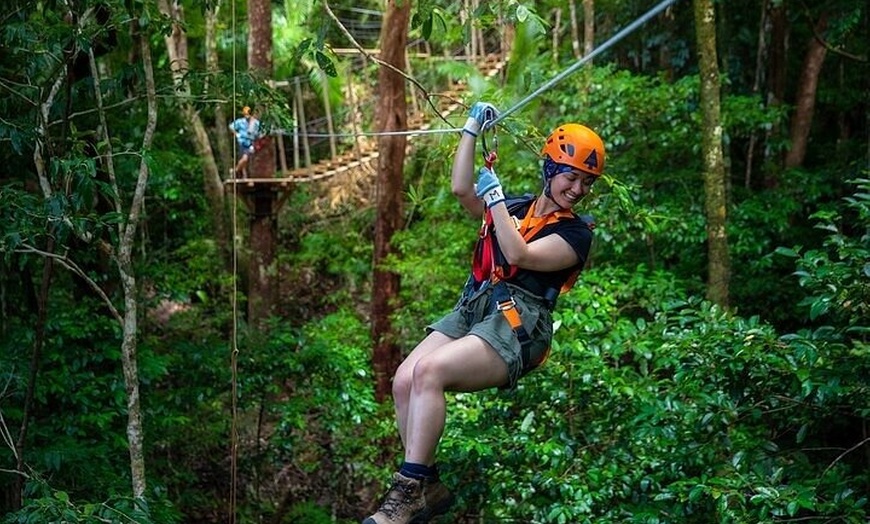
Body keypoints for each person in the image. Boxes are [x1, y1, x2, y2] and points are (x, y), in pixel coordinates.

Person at [362, 102, 606, 524]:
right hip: (479, 306)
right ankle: (426, 484)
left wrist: (493, 197)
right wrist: (471, 130)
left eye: (587, 183)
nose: (578, 190)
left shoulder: (575, 233)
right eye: (572, 177)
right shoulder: (516, 207)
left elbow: (518, 252)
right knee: (404, 379)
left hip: (518, 324)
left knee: (430, 372)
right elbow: (461, 191)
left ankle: (405, 495)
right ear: (550, 170)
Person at [229, 105, 260, 178]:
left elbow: (260, 130)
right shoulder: (240, 122)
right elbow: (231, 126)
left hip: (251, 142)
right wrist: (237, 134)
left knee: (246, 160)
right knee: (245, 159)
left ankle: (237, 172)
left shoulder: (255, 122)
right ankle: (237, 171)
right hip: (242, 142)